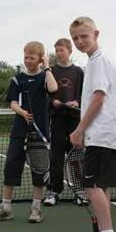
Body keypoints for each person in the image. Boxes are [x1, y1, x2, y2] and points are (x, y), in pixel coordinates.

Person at [68, 16, 116, 232]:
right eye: (75, 38)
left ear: (96, 34)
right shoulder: (93, 62)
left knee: (92, 187)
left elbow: (98, 99)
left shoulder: (99, 62)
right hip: (102, 136)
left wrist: (79, 130)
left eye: (84, 36)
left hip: (101, 135)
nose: (80, 41)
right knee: (100, 187)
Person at [0, 41, 57, 223]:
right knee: (11, 168)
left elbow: (53, 88)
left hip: (39, 133)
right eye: (26, 57)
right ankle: (6, 208)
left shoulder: (45, 77)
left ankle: (35, 209)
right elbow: (13, 103)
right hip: (19, 132)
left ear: (40, 59)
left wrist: (47, 67)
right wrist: (23, 113)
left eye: (32, 58)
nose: (28, 61)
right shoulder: (17, 79)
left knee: (39, 172)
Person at [43, 38, 84, 206]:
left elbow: (85, 93)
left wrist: (77, 102)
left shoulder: (79, 72)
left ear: (70, 51)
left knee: (76, 156)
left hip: (74, 120)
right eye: (57, 50)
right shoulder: (50, 70)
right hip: (57, 119)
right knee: (56, 157)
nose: (59, 53)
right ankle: (54, 191)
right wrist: (53, 103)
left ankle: (80, 191)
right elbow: (45, 95)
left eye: (62, 50)